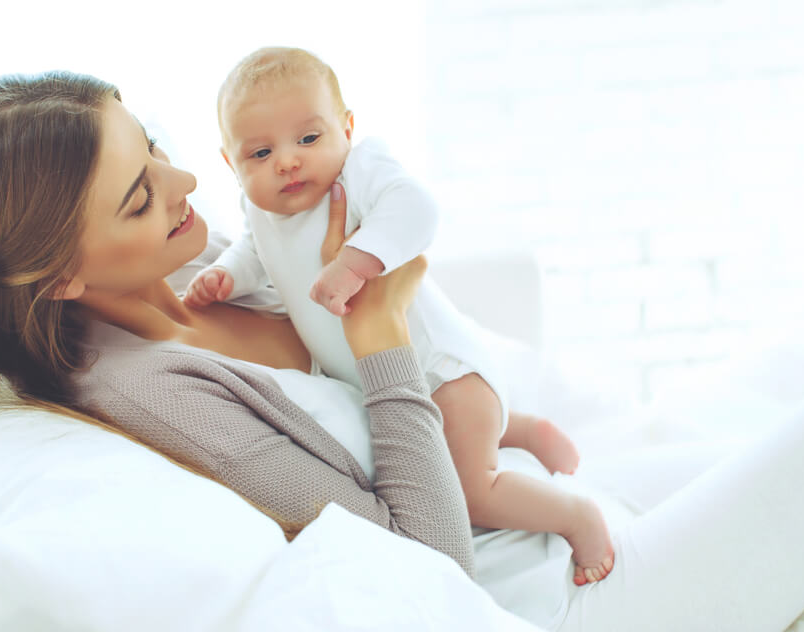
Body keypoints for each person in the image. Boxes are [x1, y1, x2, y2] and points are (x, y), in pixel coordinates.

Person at [0, 70, 804, 632]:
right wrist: (382, 332)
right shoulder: (154, 395)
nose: (188, 183)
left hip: (539, 514)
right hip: (569, 601)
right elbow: (429, 568)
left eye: (154, 144)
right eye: (138, 194)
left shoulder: (190, 272)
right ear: (63, 275)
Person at [183, 46, 613, 585]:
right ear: (229, 162)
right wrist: (227, 276)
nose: (287, 161)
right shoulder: (261, 210)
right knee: (452, 438)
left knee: (471, 491)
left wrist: (354, 263)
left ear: (348, 127)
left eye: (309, 139)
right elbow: (255, 251)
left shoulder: (359, 171)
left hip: (444, 375)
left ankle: (577, 516)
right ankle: (522, 429)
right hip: (398, 388)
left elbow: (416, 209)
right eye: (260, 153)